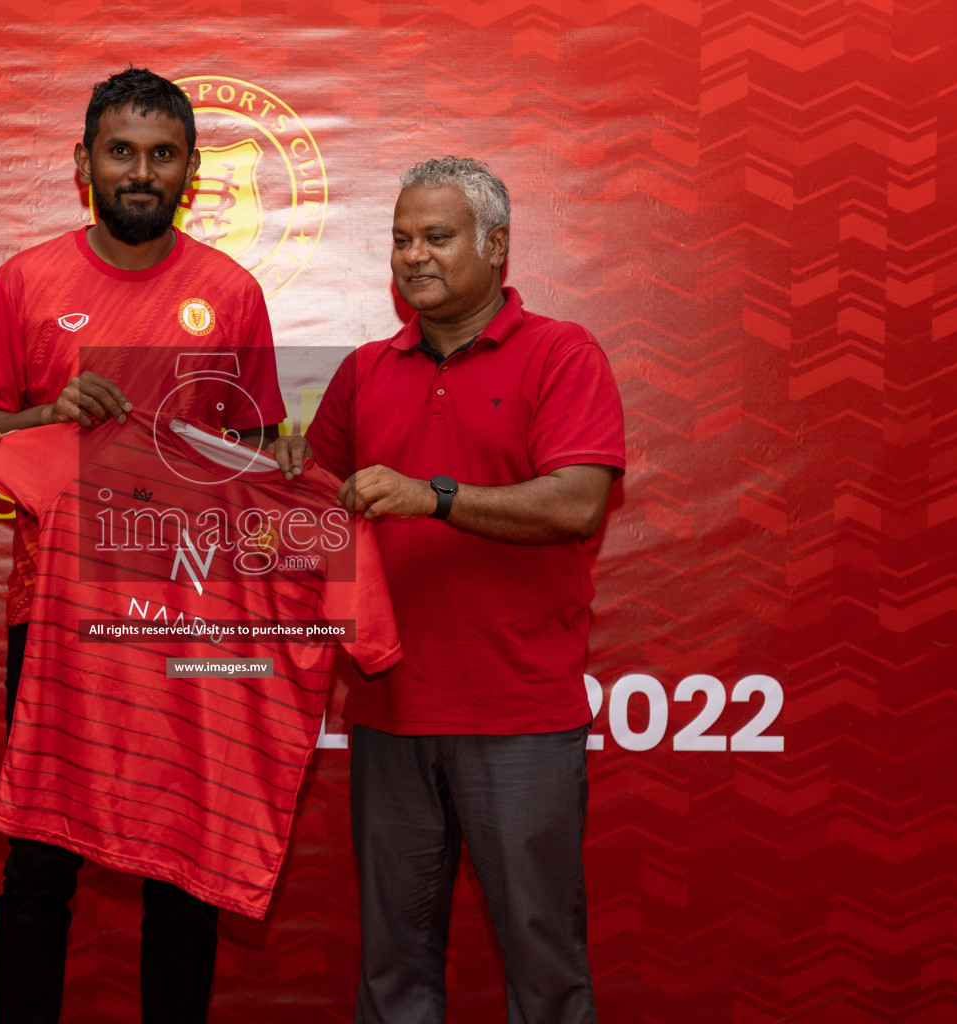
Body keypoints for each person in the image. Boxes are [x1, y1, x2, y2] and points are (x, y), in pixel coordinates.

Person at [0, 67, 286, 1023]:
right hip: (53, 617)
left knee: (186, 862)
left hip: (193, 615)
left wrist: (195, 446)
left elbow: (265, 460)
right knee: (39, 860)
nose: (142, 171)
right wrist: (50, 415)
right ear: (83, 163)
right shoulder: (26, 280)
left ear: (191, 170)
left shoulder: (231, 291)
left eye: (163, 155)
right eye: (121, 151)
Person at [270, 156, 625, 1024]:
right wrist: (277, 478)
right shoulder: (361, 371)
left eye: (436, 237)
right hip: (390, 711)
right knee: (394, 974)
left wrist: (431, 496)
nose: (413, 257)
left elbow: (577, 503)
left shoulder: (563, 353)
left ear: (496, 245)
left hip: (520, 716)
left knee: (546, 972)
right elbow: (313, 519)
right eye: (400, 240)